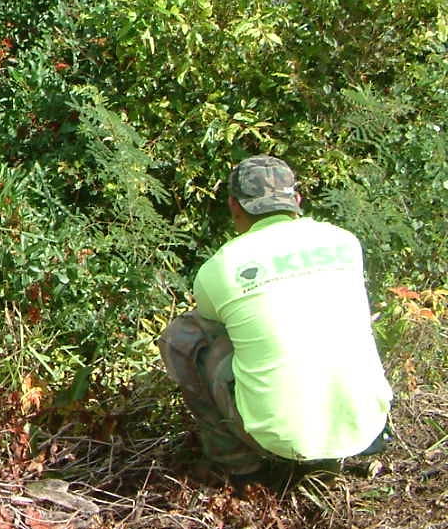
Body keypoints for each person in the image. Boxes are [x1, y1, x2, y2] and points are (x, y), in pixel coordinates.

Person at [159, 155, 392, 483]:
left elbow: (215, 331)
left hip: (278, 439)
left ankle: (238, 468)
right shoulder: (345, 243)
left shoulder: (220, 267)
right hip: (365, 427)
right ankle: (333, 454)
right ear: (296, 201)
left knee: (182, 338)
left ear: (234, 206)